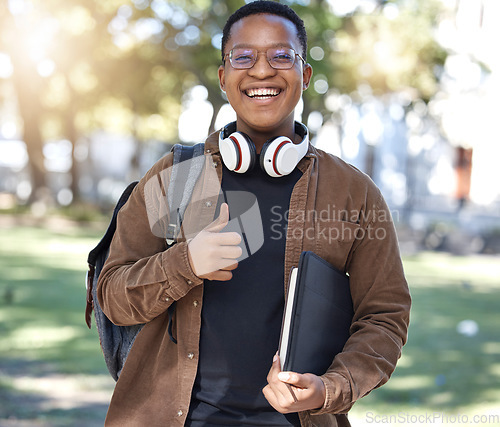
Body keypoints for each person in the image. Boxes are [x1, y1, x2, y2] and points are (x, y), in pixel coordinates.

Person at [97, 1, 411, 426]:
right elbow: (112, 296)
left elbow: (385, 318)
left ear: (305, 75)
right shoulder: (179, 176)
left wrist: (330, 387)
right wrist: (184, 263)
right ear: (224, 77)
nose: (262, 70)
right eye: (243, 56)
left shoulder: (355, 193)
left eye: (281, 55)